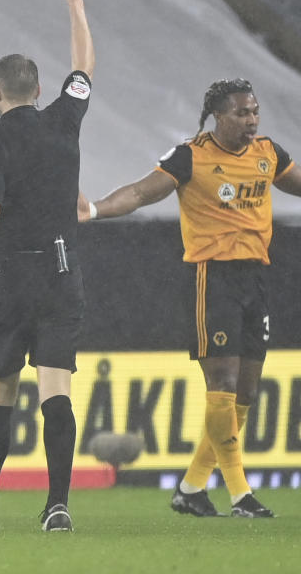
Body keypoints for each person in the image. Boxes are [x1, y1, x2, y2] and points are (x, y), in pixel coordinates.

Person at [81, 77, 301, 518]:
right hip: (211, 277)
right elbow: (143, 192)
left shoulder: (268, 154)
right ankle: (241, 495)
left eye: (254, 111)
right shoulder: (191, 157)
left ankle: (191, 488)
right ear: (219, 117)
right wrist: (95, 208)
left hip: (255, 278)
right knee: (220, 386)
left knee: (245, 393)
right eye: (242, 112)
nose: (252, 119)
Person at [0, 0, 93, 532]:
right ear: (38, 90)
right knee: (55, 385)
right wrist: (74, 2)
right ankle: (57, 505)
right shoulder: (64, 120)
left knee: (0, 390)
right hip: (61, 272)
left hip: (8, 278)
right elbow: (83, 66)